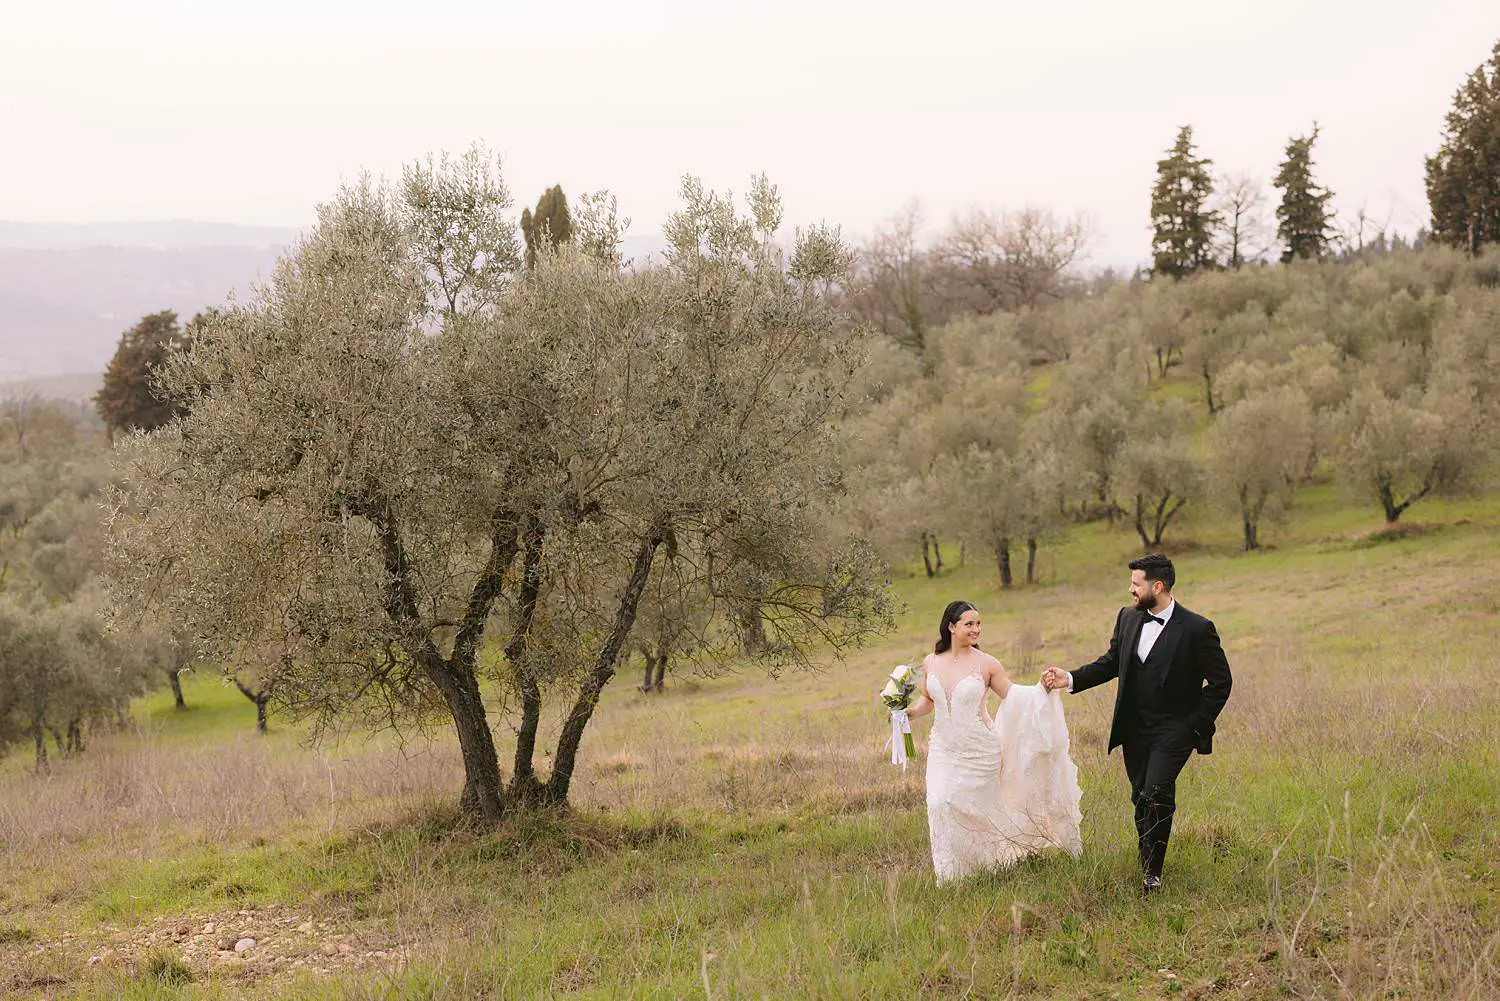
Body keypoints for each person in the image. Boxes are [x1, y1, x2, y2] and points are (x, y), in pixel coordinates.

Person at [1042, 554, 1232, 895]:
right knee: (1141, 797)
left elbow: (1221, 683)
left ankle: (1152, 876)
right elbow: (1111, 663)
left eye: (1136, 584)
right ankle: (1148, 860)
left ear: (1156, 587)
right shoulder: (1128, 618)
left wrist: (1193, 724)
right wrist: (1069, 677)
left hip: (1174, 731)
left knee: (1157, 793)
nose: (1130, 590)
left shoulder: (1197, 628)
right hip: (1134, 729)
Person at [905, 600, 1082, 884]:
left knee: (979, 812)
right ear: (951, 627)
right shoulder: (931, 662)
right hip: (943, 749)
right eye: (969, 624)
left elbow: (1012, 695)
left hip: (980, 750)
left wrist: (1041, 690)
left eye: (978, 624)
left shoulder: (987, 664)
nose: (976, 629)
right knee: (940, 803)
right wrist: (908, 713)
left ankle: (990, 867)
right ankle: (950, 877)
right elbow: (928, 699)